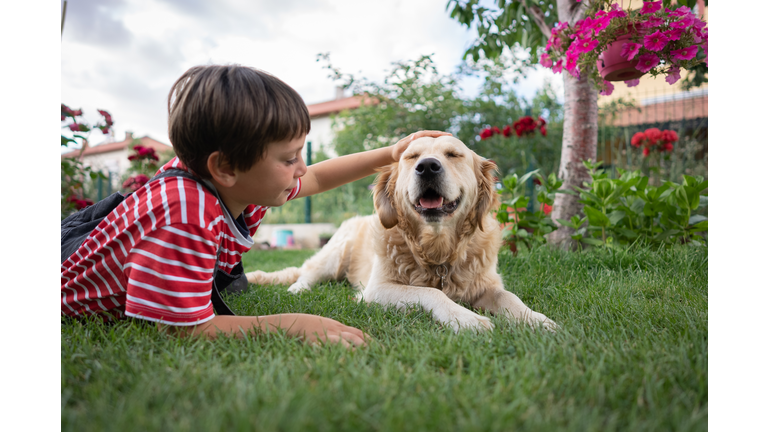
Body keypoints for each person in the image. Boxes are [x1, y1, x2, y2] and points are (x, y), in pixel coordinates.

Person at [61, 64, 449, 348]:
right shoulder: (184, 214)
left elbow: (314, 177)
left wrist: (391, 152)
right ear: (226, 166)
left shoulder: (235, 182)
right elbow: (183, 328)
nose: (300, 168)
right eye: (288, 158)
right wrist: (294, 322)